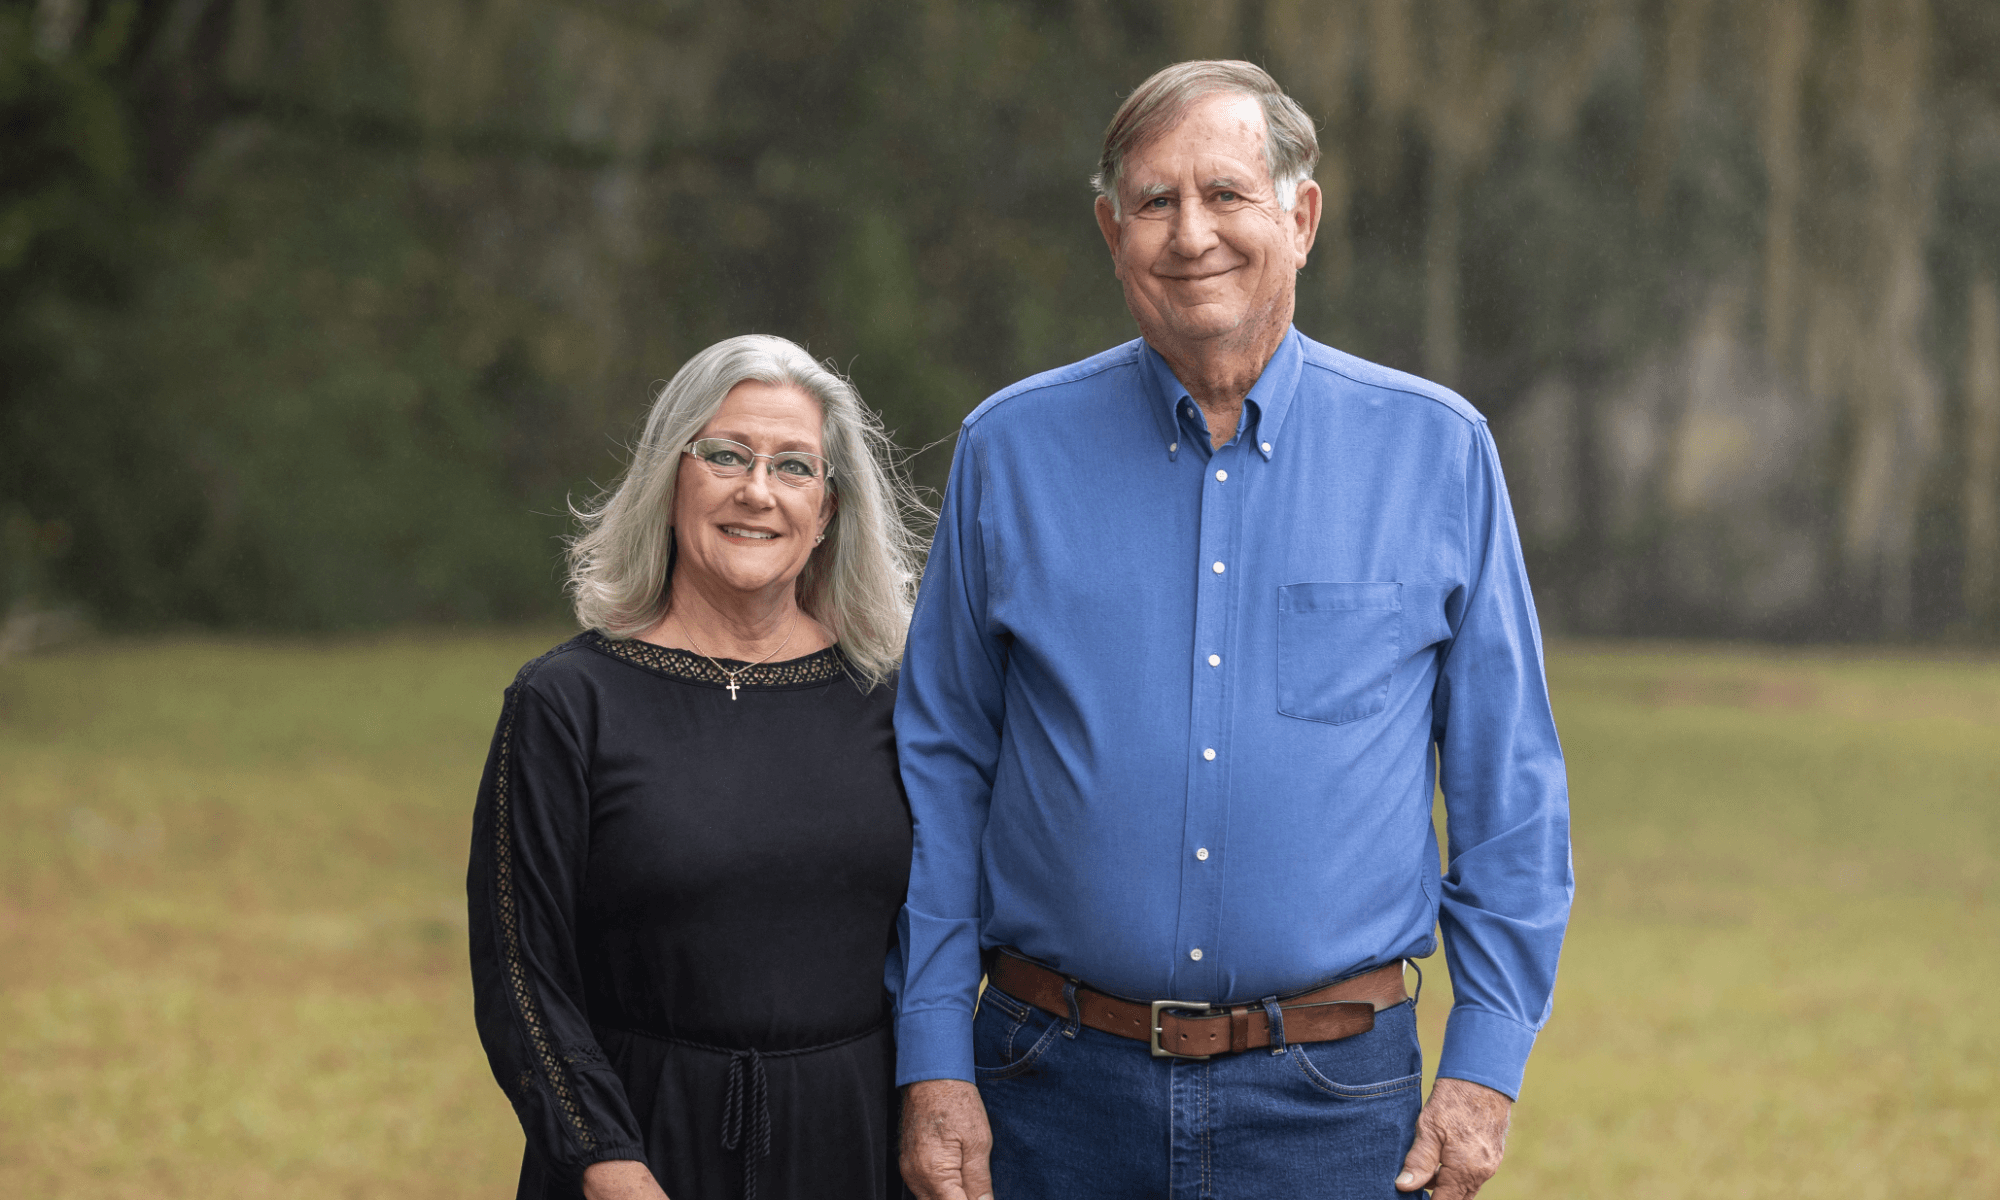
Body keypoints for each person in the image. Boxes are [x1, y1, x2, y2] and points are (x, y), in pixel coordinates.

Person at [893, 60, 1573, 1200]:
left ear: (1298, 218)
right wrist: (928, 1058)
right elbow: (939, 767)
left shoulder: (1436, 452)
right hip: (1044, 1090)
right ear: (1110, 234)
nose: (1189, 232)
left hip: (1335, 1108)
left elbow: (1511, 791)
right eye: (1153, 202)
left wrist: (1484, 1070)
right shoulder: (1006, 453)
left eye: (1224, 194)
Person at [468, 334, 924, 1200]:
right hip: (639, 1149)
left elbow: (947, 936)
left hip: (854, 1143)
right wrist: (607, 1161)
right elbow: (522, 972)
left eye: (795, 467)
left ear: (828, 510)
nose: (758, 491)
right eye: (726, 456)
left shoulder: (896, 701)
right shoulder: (565, 703)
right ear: (670, 478)